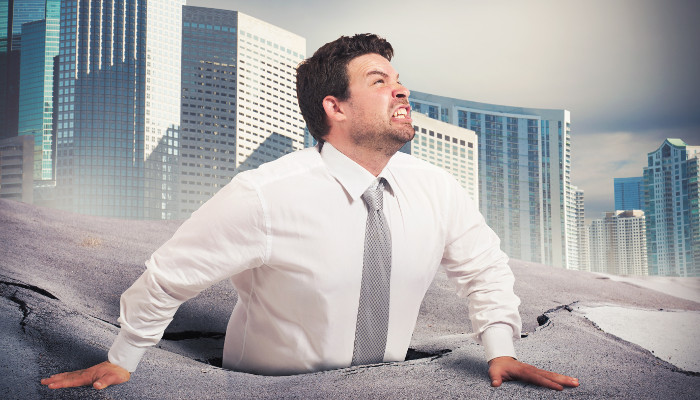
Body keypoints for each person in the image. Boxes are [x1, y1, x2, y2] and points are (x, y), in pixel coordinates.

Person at [41, 34, 579, 392]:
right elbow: (169, 276)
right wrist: (125, 357)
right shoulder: (264, 194)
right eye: (378, 81)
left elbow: (483, 270)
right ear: (334, 106)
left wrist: (500, 348)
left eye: (398, 78)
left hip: (386, 385)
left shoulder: (436, 188)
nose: (401, 88)